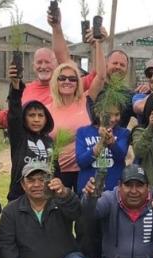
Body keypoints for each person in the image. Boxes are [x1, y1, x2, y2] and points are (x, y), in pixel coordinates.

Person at [47, 32, 106, 190]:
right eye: (62, 78)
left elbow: (101, 76)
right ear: (55, 81)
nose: (67, 81)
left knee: (85, 205)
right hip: (59, 172)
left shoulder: (86, 100)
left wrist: (98, 44)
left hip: (86, 168)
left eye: (72, 79)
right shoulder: (47, 110)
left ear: (78, 83)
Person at [6, 63, 55, 201]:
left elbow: (55, 170)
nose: (36, 119)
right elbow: (14, 114)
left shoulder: (50, 141)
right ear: (24, 118)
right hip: (19, 197)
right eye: (31, 115)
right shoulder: (20, 137)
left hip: (45, 198)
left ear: (46, 118)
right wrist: (16, 87)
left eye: (40, 115)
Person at [75, 97, 131, 195]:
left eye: (117, 114)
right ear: (98, 112)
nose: (113, 119)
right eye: (108, 114)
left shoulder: (123, 133)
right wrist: (101, 142)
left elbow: (120, 156)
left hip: (114, 192)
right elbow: (81, 162)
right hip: (88, 191)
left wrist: (111, 142)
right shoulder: (82, 132)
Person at [0, 48, 59, 128]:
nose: (43, 66)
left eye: (47, 62)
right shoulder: (25, 88)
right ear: (33, 66)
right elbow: (10, 117)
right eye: (39, 62)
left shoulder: (63, 89)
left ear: (56, 65)